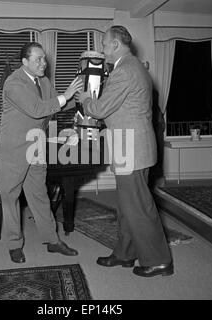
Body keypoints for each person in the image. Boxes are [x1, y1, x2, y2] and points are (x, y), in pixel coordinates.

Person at [78, 26, 173, 277]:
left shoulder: (125, 71)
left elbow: (99, 109)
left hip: (132, 149)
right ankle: (125, 253)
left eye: (105, 44)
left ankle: (159, 260)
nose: (102, 49)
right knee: (126, 205)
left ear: (116, 44)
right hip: (131, 146)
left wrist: (85, 99)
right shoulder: (130, 67)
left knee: (138, 206)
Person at [0, 42, 82, 263]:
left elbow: (56, 105)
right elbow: (37, 109)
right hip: (14, 148)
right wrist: (66, 95)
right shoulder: (13, 83)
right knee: (11, 197)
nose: (44, 63)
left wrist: (84, 100)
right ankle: (14, 244)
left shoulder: (44, 81)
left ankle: (52, 241)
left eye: (44, 58)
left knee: (40, 196)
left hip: (36, 147)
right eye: (38, 59)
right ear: (24, 62)